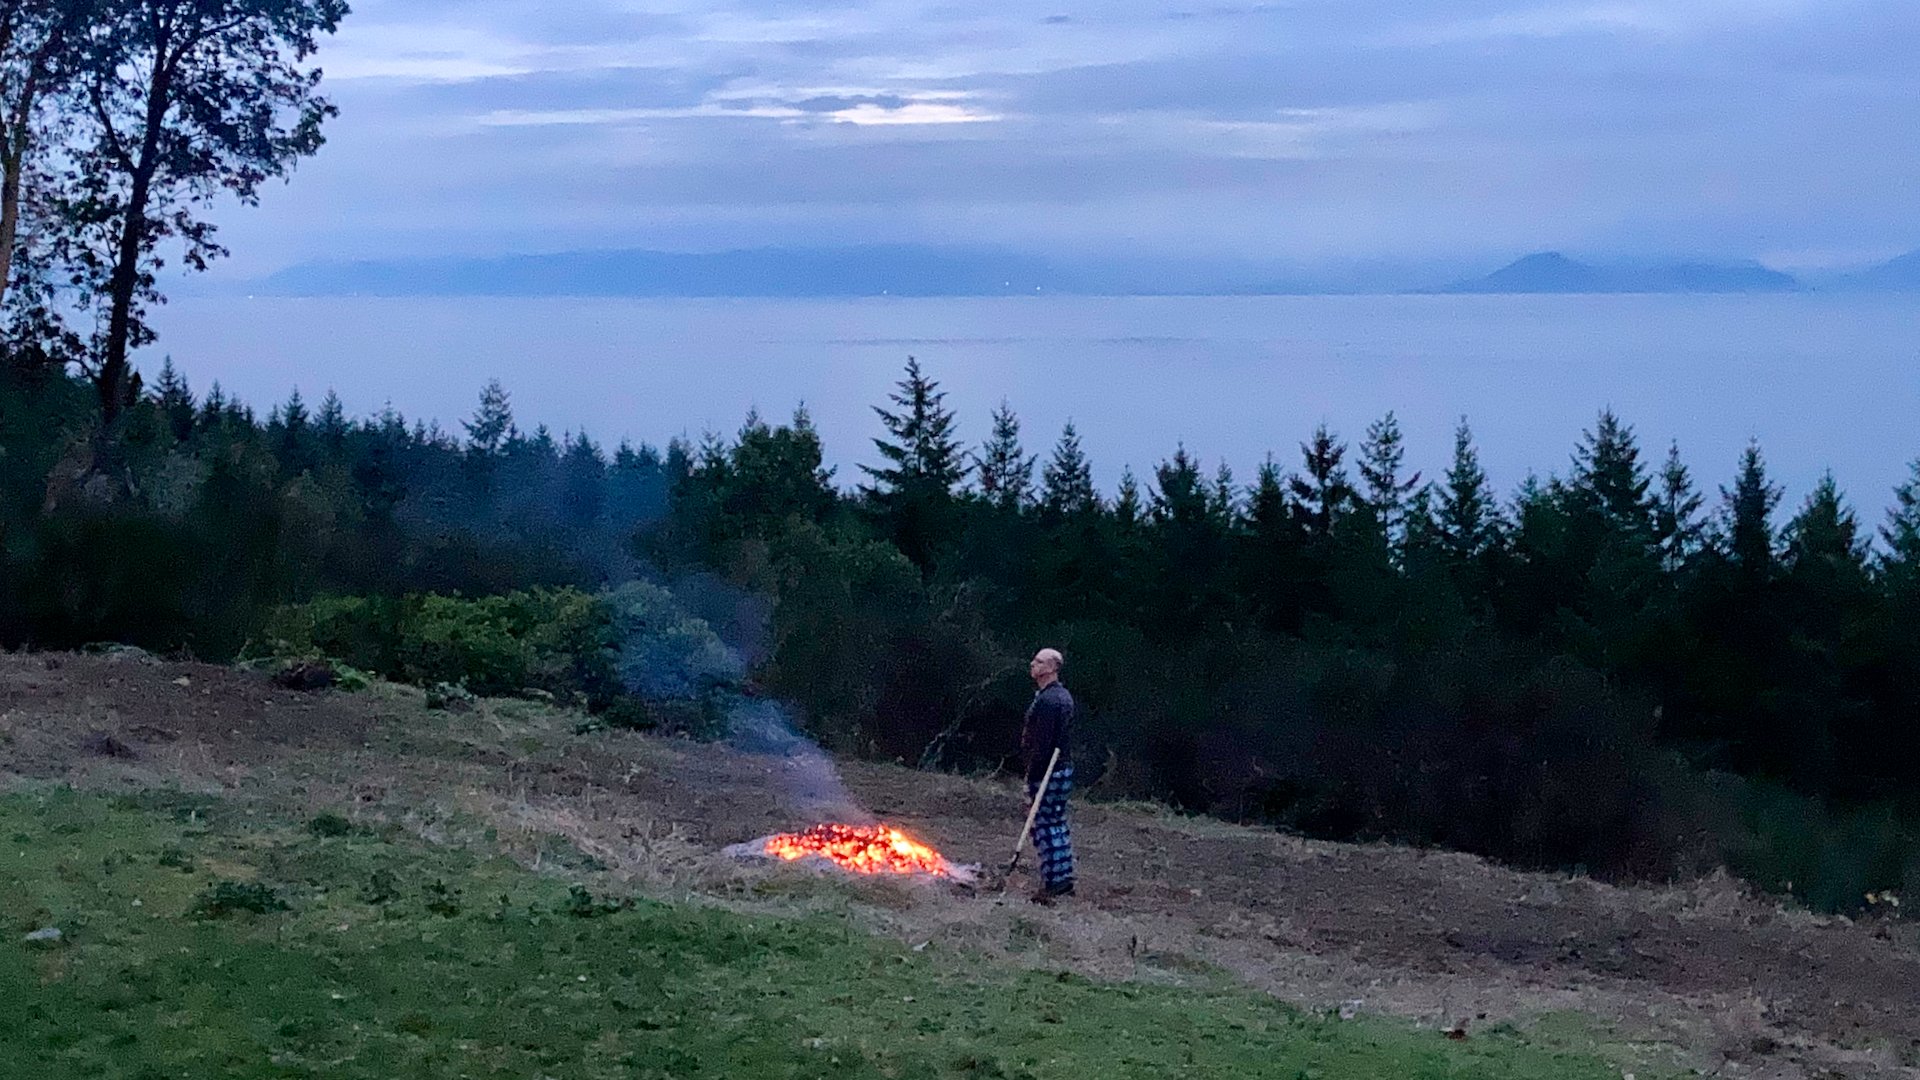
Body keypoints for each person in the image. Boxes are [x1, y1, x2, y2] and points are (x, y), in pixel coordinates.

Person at [1021, 647, 1075, 902]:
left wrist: (1032, 775)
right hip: (1062, 768)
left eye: (1040, 661)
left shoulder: (1049, 701)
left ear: (1052, 668)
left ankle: (1054, 883)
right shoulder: (1060, 696)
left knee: (1045, 825)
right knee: (1056, 822)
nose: (1033, 664)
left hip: (1049, 770)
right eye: (1035, 660)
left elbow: (1042, 745)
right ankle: (1062, 877)